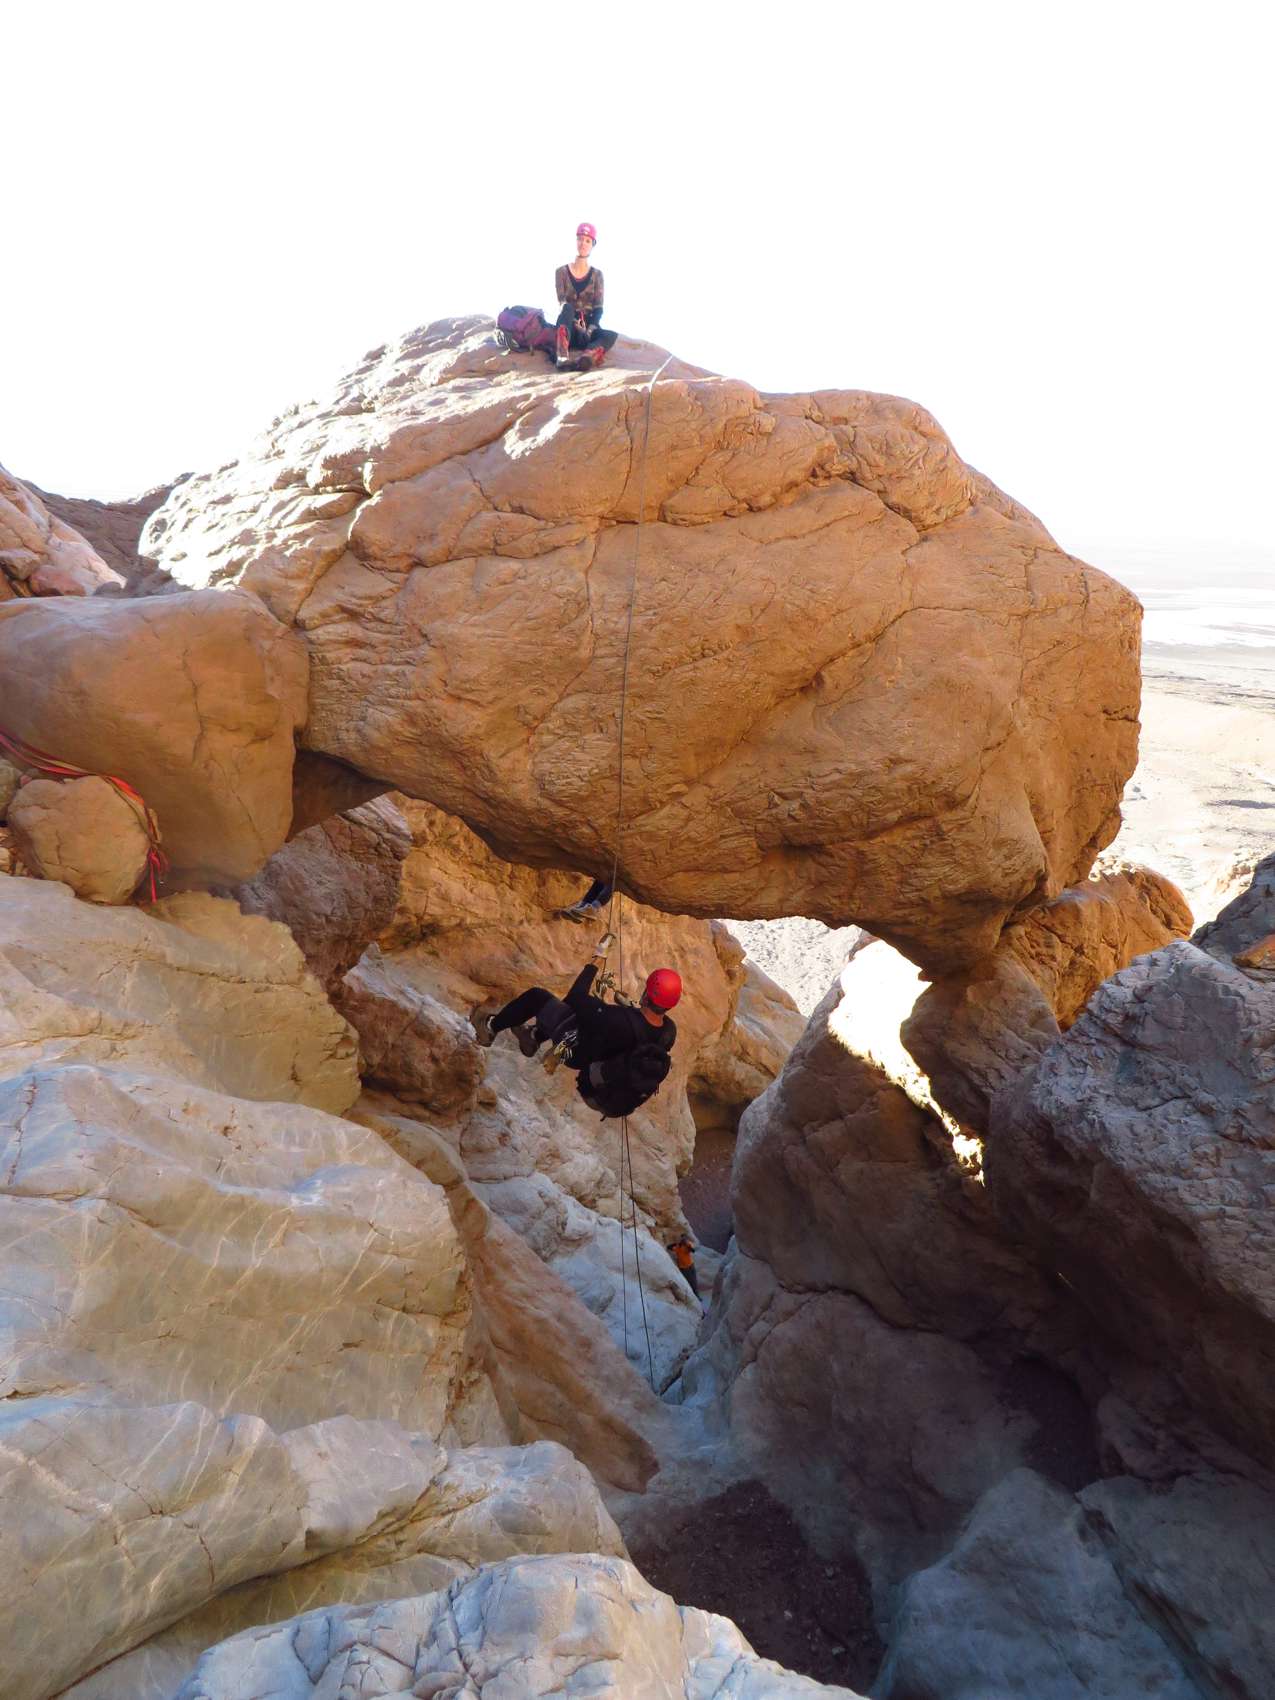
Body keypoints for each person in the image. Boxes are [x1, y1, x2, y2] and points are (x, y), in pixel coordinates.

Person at [474, 948, 681, 1119]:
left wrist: (595, 962)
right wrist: (623, 1010)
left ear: (646, 995)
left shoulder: (615, 1018)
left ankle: (489, 1028)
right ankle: (533, 1037)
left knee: (540, 998)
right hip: (608, 1079)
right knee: (587, 1016)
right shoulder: (669, 1032)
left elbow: (574, 997)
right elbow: (640, 1027)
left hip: (577, 1055)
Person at [554, 222, 618, 371]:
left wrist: (589, 330)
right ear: (576, 241)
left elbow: (598, 308)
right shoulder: (561, 272)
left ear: (592, 244)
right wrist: (575, 323)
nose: (583, 243)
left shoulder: (597, 275)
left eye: (588, 241)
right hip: (568, 325)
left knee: (610, 335)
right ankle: (562, 356)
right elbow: (562, 302)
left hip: (588, 328)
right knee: (567, 308)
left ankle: (586, 358)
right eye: (580, 239)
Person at [667, 1235, 700, 1299]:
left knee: (694, 1281)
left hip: (690, 1265)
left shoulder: (687, 1245)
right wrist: (676, 1244)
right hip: (684, 1268)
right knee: (688, 1282)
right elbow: (669, 1247)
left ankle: (697, 1296)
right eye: (682, 1239)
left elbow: (692, 1250)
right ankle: (693, 1296)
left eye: (684, 1239)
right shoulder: (677, 1247)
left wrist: (687, 1245)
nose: (683, 1240)